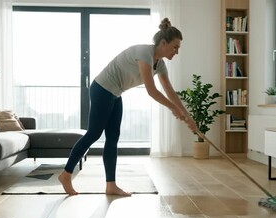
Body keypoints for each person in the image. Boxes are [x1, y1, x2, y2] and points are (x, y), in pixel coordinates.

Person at [58, 18, 197, 196]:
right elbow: (152, 90)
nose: (176, 52)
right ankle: (66, 174)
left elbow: (170, 92)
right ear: (163, 43)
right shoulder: (144, 52)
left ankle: (111, 185)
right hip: (102, 89)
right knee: (94, 133)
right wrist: (173, 109)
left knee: (113, 138)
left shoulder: (160, 64)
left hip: (116, 93)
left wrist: (187, 116)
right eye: (175, 47)